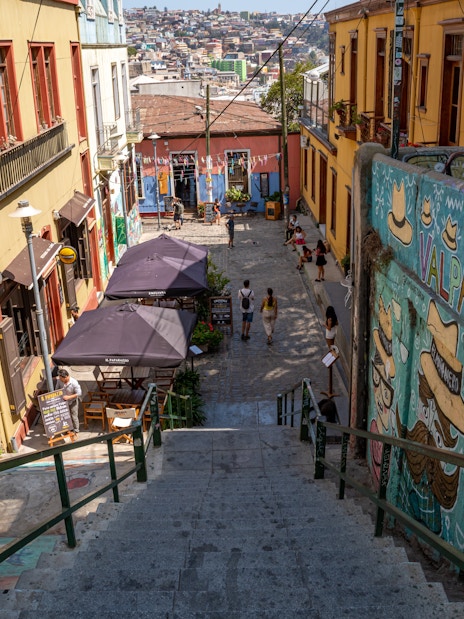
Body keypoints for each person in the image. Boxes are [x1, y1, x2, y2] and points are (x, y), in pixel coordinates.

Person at [56, 369, 82, 435]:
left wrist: (69, 397)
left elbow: (79, 393)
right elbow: (56, 389)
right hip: (63, 402)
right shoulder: (59, 381)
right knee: (65, 416)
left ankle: (76, 430)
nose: (60, 379)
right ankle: (67, 429)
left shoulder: (74, 382)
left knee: (74, 416)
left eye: (61, 378)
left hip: (73, 401)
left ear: (66, 377)